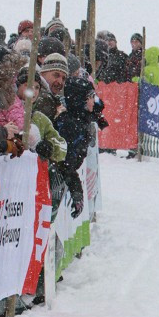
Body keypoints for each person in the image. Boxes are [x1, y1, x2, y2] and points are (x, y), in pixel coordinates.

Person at [55, 76, 100, 218]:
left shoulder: (80, 120)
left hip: (57, 182)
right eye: (91, 97)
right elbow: (64, 163)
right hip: (52, 181)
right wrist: (76, 191)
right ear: (80, 99)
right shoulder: (71, 125)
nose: (94, 101)